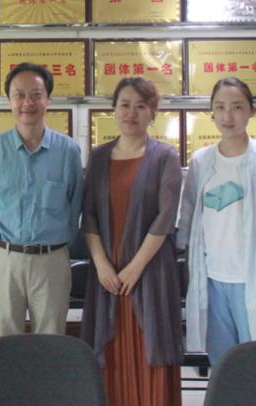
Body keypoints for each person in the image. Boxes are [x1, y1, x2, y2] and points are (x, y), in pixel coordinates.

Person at [81, 78, 184, 405]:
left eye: (141, 106)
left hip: (150, 273)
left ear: (152, 112)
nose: (131, 113)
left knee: (151, 350)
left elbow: (166, 217)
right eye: (125, 104)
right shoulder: (98, 158)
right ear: (113, 109)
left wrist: (135, 268)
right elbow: (89, 216)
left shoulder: (165, 156)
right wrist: (101, 265)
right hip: (107, 276)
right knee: (108, 354)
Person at [176, 77, 256, 365]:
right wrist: (192, 280)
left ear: (251, 111)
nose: (228, 116)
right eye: (220, 107)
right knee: (222, 362)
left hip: (254, 279)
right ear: (212, 112)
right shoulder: (201, 161)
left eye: (237, 107)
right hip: (212, 280)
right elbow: (189, 226)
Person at [0, 62, 83, 337]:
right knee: (3, 341)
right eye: (19, 95)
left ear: (48, 99)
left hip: (52, 260)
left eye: (36, 94)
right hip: (4, 258)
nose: (28, 102)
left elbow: (75, 207)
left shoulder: (68, 151)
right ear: (9, 101)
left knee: (51, 340)